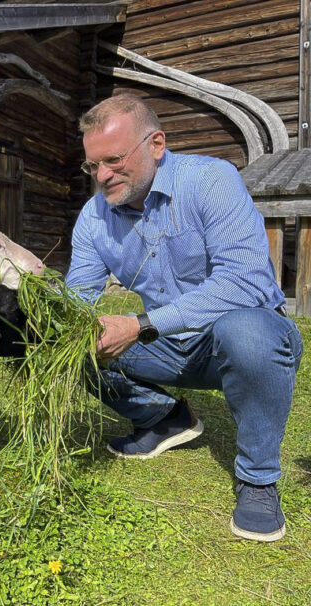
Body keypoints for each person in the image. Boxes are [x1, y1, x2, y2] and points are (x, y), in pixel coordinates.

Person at [65, 94, 304, 542]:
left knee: (247, 331)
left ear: (156, 144)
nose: (101, 176)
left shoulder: (211, 180)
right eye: (92, 166)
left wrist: (139, 325)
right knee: (72, 345)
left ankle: (257, 480)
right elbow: (78, 296)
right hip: (166, 345)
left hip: (232, 338)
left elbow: (246, 283)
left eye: (113, 160)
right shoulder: (94, 217)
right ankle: (164, 419)